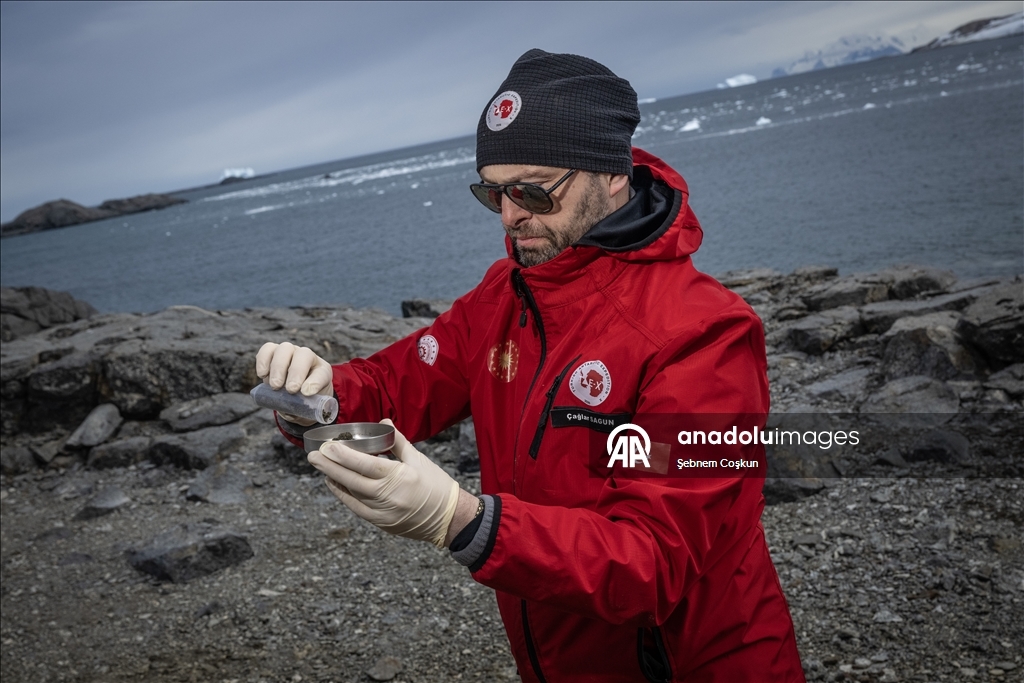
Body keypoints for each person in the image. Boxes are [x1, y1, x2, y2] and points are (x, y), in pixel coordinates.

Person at [256, 49, 805, 682]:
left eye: (534, 190)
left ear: (612, 174)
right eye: (494, 192)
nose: (513, 215)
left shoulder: (705, 335)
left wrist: (461, 520)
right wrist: (318, 395)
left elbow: (653, 565)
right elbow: (397, 384)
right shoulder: (506, 294)